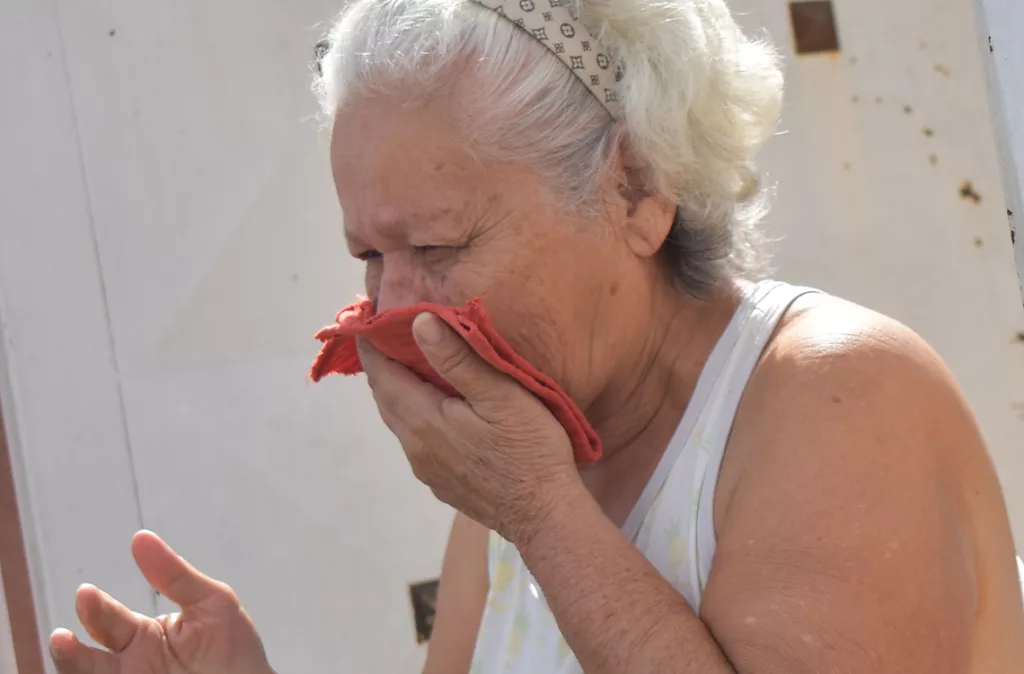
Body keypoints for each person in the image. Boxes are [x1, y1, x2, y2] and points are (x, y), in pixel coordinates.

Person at [49, 0, 1024, 672]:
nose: (399, 310)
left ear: (635, 190)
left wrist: (540, 510)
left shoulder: (836, 397)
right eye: (367, 256)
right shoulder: (519, 464)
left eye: (436, 243)